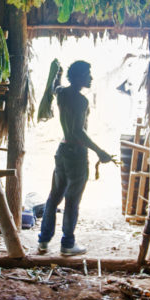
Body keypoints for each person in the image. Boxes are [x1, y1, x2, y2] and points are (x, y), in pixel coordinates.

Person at [37, 61, 114, 256]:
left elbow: (55, 86)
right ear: (79, 77)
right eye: (88, 74)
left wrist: (58, 73)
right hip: (77, 154)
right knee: (72, 200)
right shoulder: (81, 101)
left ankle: (44, 241)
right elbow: (78, 131)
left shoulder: (62, 93)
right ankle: (68, 245)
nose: (91, 78)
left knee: (53, 197)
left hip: (62, 151)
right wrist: (100, 151)